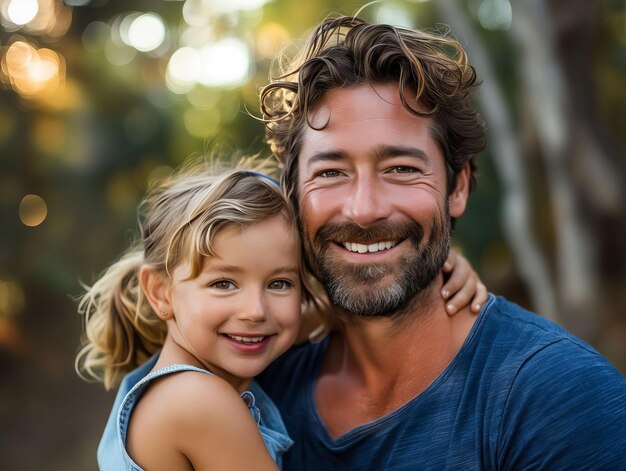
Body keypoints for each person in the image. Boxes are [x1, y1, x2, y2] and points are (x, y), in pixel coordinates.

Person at [252, 15, 626, 470]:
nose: (364, 209)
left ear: (458, 188)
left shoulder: (556, 396)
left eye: (402, 169)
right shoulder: (254, 387)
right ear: (293, 196)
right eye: (330, 172)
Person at [76, 161, 485, 470]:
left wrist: (433, 269)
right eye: (223, 284)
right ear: (160, 293)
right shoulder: (199, 402)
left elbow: (325, 312)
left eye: (279, 284)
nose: (255, 312)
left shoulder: (173, 378)